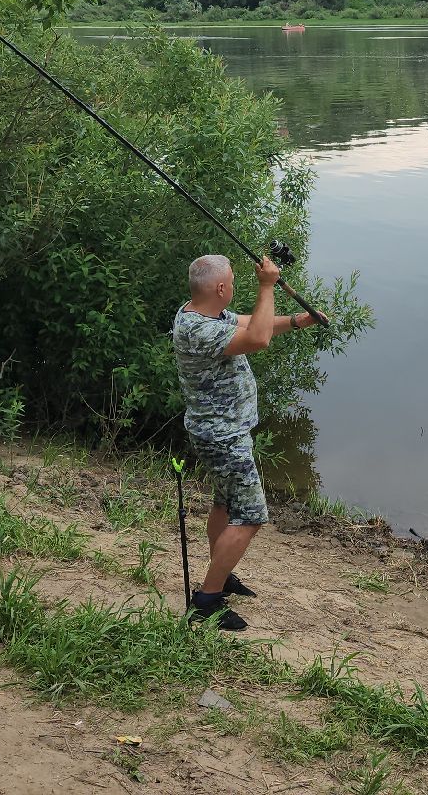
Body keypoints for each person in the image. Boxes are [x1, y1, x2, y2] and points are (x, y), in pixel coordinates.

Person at [171, 253, 325, 630]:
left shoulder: (197, 313)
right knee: (252, 515)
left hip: (220, 432)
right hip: (222, 437)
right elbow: (257, 338)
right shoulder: (199, 330)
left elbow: (248, 323)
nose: (236, 287)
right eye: (234, 282)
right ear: (221, 288)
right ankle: (206, 600)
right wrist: (267, 285)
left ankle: (219, 577)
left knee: (224, 503)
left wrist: (295, 321)